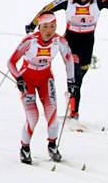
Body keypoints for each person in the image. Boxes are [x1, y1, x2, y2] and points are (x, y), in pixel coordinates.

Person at [25, 0, 108, 123]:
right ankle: (74, 113)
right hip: (70, 41)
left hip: (88, 42)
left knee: (81, 76)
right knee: (74, 75)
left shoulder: (98, 0)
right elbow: (47, 8)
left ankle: (71, 98)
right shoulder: (68, 0)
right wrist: (32, 24)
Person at [9, 12, 76, 164]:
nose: (49, 31)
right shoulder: (30, 40)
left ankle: (52, 146)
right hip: (28, 80)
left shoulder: (59, 41)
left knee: (52, 118)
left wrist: (71, 82)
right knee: (33, 117)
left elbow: (69, 60)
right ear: (39, 27)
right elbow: (11, 62)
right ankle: (24, 148)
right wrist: (18, 78)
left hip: (46, 79)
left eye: (52, 27)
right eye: (45, 27)